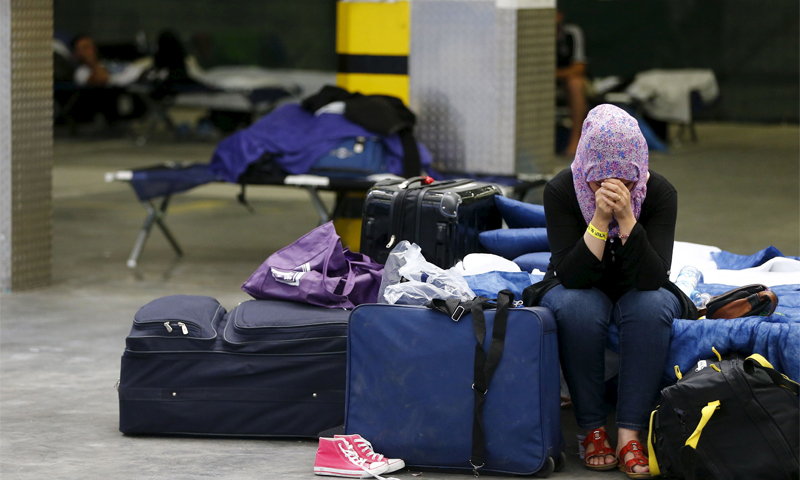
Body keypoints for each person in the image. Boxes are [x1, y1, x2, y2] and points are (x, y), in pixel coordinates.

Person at [523, 104, 688, 478]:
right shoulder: (563, 190)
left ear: (638, 172)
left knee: (652, 306)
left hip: (639, 283)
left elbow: (653, 278)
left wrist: (628, 218)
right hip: (578, 281)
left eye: (626, 183)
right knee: (578, 306)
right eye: (600, 182)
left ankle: (630, 431)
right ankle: (592, 428)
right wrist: (599, 219)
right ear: (585, 171)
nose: (613, 191)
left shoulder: (659, 193)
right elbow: (573, 276)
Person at [556, 11, 588, 157]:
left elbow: (579, 68)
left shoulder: (571, 33)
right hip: (538, 82)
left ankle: (575, 142)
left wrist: (554, 75)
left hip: (565, 81)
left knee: (575, 83)